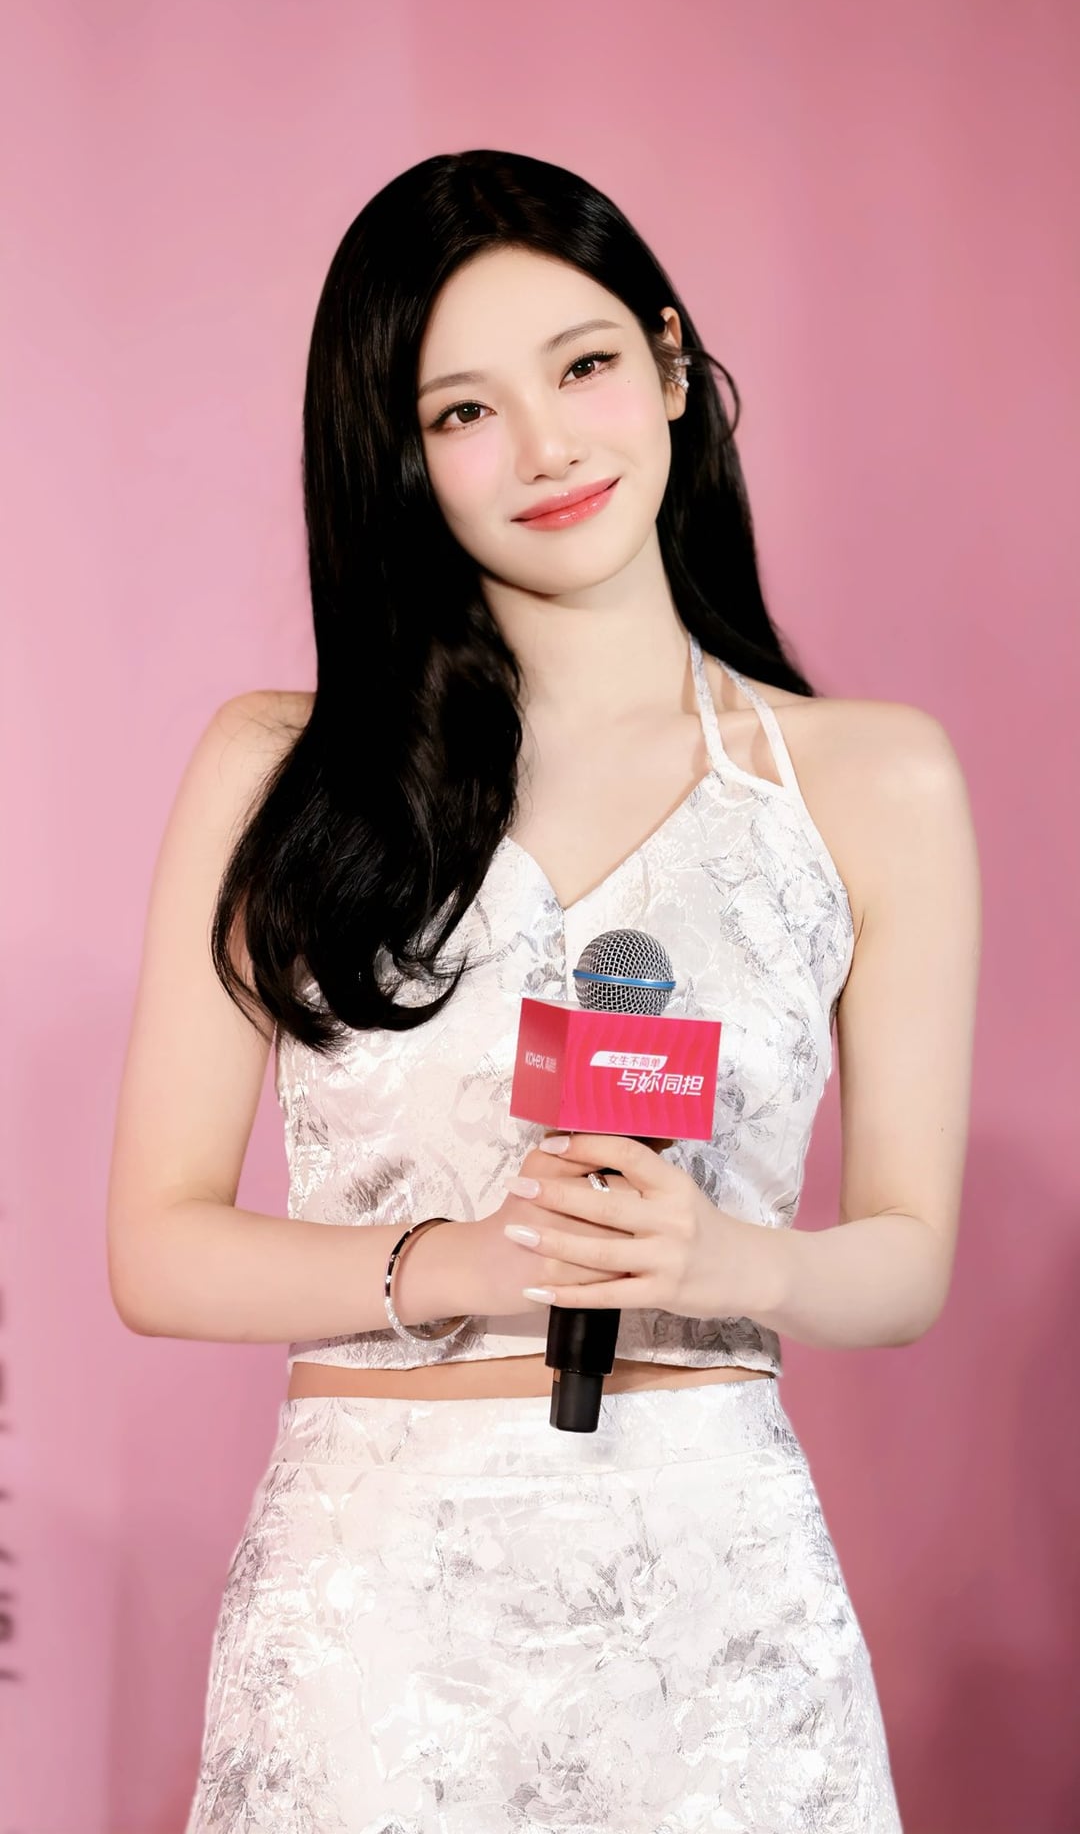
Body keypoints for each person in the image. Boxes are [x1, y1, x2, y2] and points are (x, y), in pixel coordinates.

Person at [107, 149, 980, 1833]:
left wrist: (727, 1261)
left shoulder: (875, 781)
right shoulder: (279, 770)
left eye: (582, 367)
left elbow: (908, 1258)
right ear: (399, 455)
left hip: (718, 1626)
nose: (547, 447)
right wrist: (458, 1260)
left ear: (671, 365)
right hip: (376, 1634)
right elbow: (157, 1247)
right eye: (464, 411)